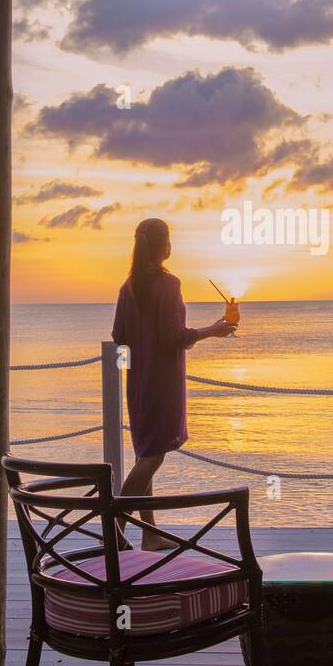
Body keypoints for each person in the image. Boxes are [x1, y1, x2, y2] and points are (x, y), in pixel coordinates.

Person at [111, 218, 234, 550]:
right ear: (163, 245)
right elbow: (173, 337)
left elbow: (118, 335)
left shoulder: (129, 285)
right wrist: (213, 329)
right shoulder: (168, 284)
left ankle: (149, 534)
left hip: (138, 380)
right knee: (153, 457)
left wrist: (143, 341)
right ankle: (115, 529)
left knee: (146, 454)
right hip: (163, 382)